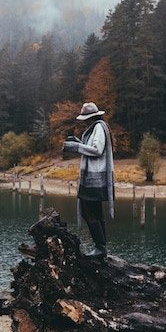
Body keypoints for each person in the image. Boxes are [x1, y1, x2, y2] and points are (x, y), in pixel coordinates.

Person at [62, 102, 115, 259]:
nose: (84, 122)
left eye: (85, 119)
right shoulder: (99, 127)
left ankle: (100, 248)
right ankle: (102, 247)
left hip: (94, 178)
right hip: (94, 178)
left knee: (88, 211)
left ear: (90, 118)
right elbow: (92, 147)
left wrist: (76, 147)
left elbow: (97, 150)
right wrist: (79, 143)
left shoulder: (99, 128)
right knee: (96, 212)